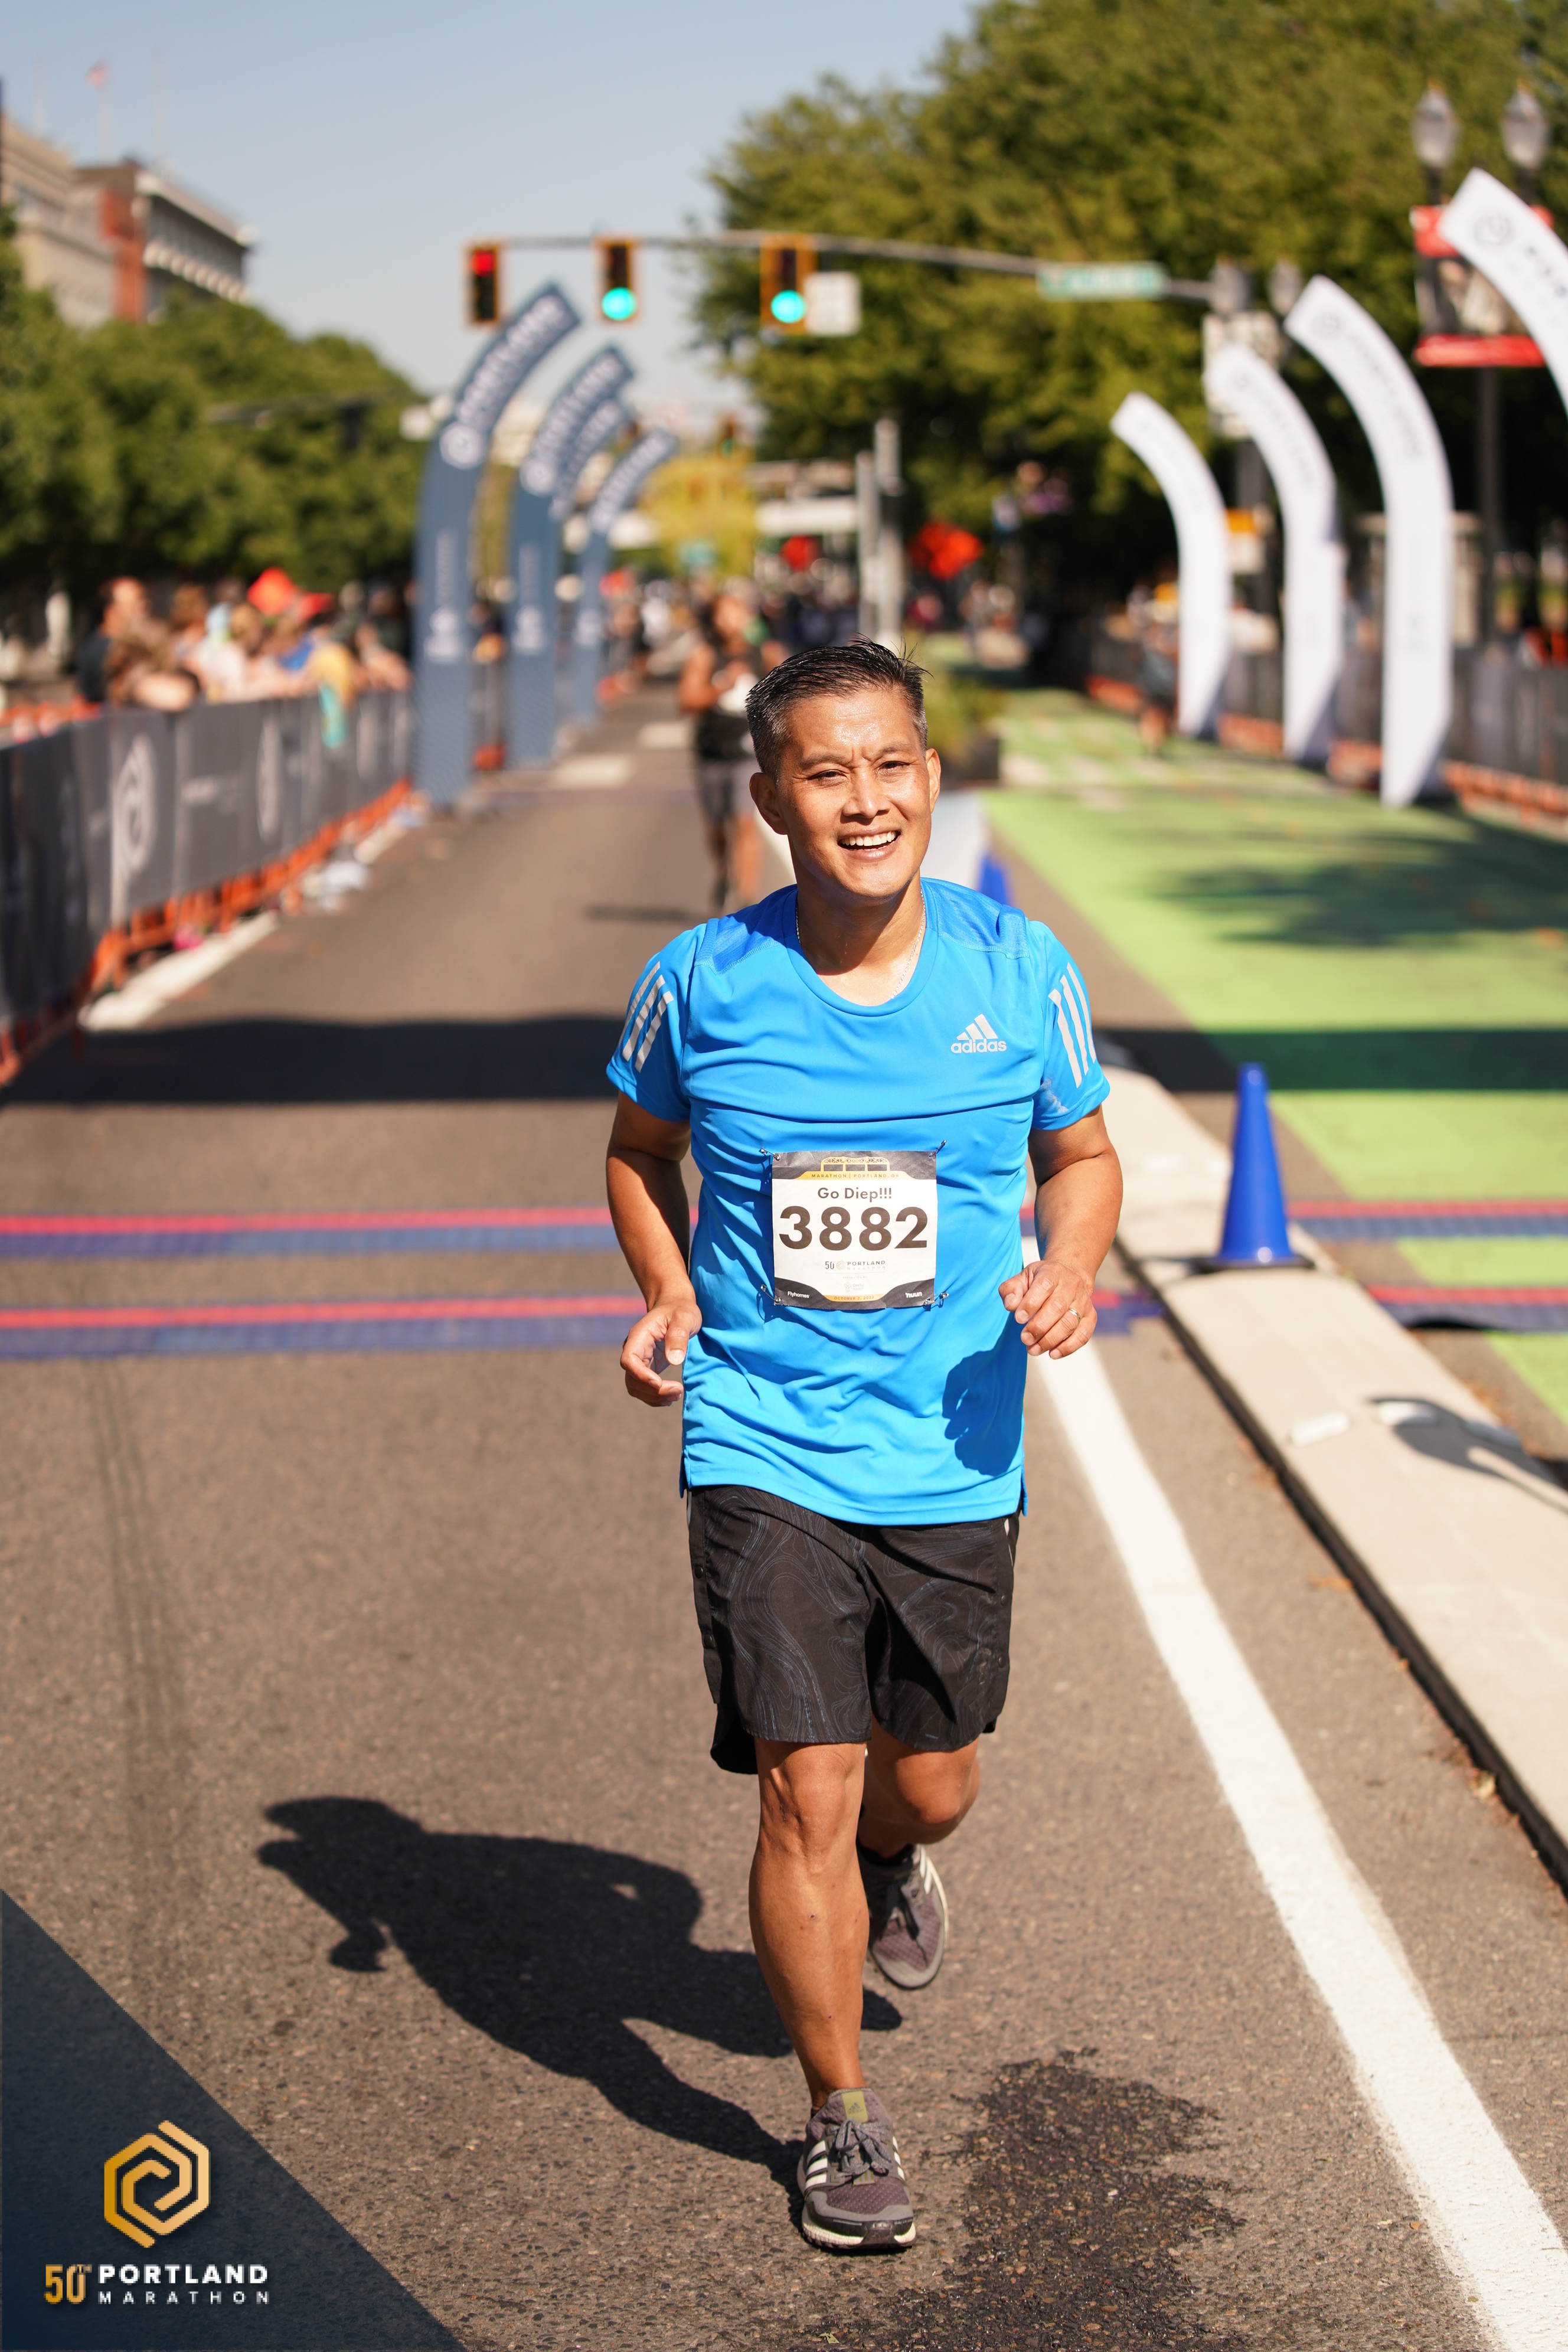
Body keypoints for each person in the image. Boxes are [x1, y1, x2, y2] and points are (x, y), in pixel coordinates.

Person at [605, 638, 1122, 2253]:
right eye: (825, 772)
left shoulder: (1015, 969)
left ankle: (901, 1856)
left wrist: (1070, 1266)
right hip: (761, 1434)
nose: (866, 799)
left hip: (951, 1445)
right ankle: (838, 2113)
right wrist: (669, 1290)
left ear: (930, 776)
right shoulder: (700, 979)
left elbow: (1082, 1156)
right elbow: (635, 1149)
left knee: (932, 1782)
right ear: (770, 798)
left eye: (890, 764)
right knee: (802, 1786)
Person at [678, 589, 783, 912]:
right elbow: (686, 702)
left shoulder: (766, 653)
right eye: (722, 614)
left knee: (744, 821)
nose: (729, 621)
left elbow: (791, 692)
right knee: (717, 825)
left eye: (735, 612)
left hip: (749, 754)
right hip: (712, 753)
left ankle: (747, 899)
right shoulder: (704, 656)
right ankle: (723, 870)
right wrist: (720, 686)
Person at [76, 577, 148, 706]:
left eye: (143, 602)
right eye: (134, 605)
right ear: (111, 612)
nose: (143, 610)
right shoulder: (105, 650)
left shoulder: (103, 644)